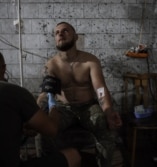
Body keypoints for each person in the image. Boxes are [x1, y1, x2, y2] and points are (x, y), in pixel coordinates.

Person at [0, 47, 81, 167]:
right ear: (4, 68)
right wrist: (54, 104)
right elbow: (52, 129)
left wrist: (20, 128)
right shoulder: (13, 92)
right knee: (73, 156)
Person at [37, 22, 123, 166]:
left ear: (76, 37)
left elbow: (100, 89)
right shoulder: (51, 65)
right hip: (63, 108)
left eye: (65, 31)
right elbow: (47, 93)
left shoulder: (90, 61)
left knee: (104, 125)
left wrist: (108, 111)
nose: (60, 34)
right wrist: (35, 114)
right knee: (43, 130)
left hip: (88, 107)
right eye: (57, 32)